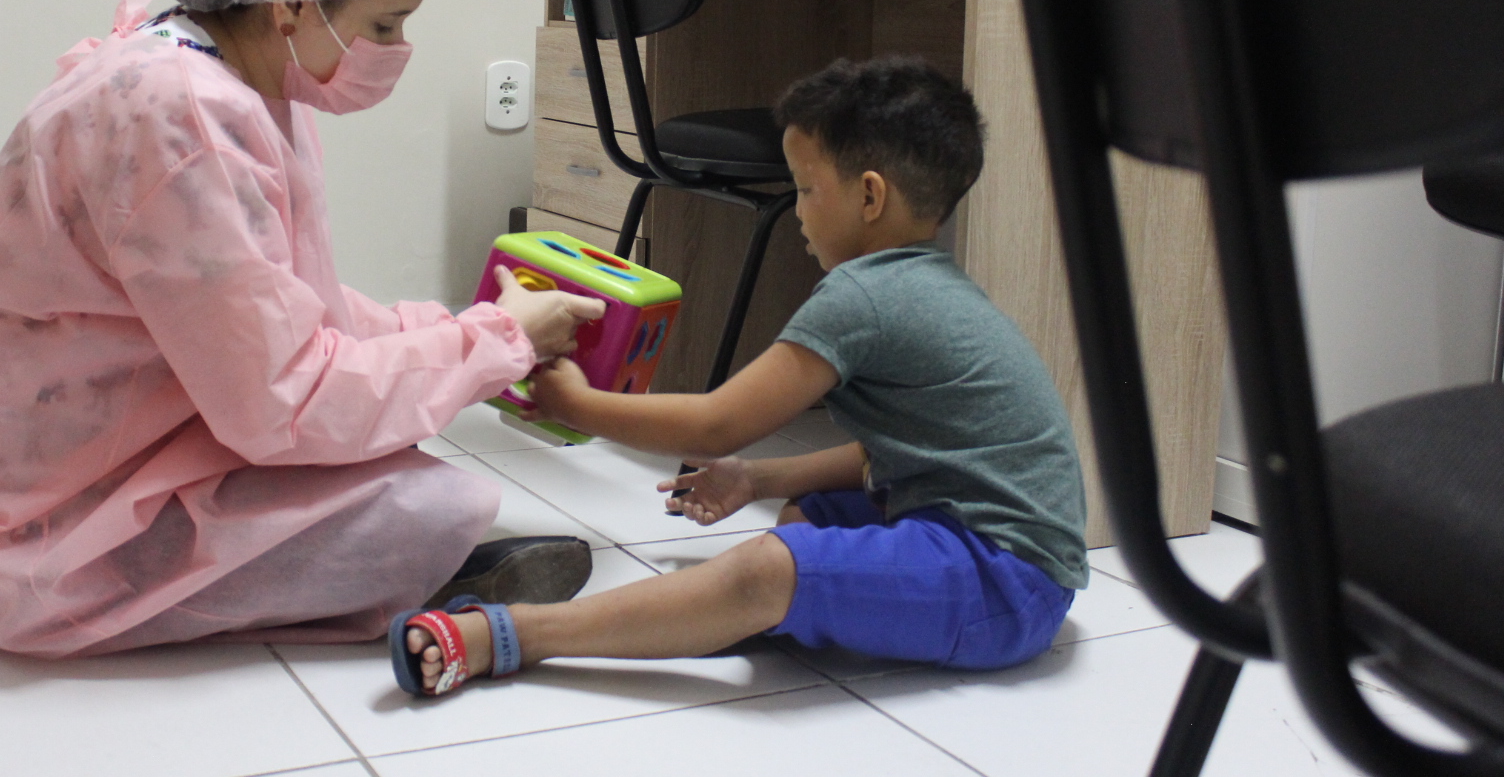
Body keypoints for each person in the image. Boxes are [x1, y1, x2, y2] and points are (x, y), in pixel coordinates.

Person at [0, 0, 603, 658]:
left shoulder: (209, 74)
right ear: (291, 4)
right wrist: (497, 342)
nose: (397, 50)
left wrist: (457, 329)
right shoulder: (187, 119)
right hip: (28, 527)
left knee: (394, 437)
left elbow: (282, 304)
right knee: (426, 503)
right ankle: (423, 577)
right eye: (384, 25)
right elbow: (284, 400)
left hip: (36, 459)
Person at [395, 57, 1089, 696]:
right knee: (803, 523)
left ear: (870, 197)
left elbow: (719, 420)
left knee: (767, 568)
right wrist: (759, 480)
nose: (797, 214)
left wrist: (580, 407)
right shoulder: (926, 284)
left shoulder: (866, 297)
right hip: (967, 529)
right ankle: (742, 609)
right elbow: (901, 455)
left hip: (1009, 581)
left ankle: (513, 636)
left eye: (806, 190)